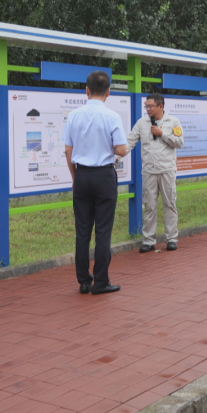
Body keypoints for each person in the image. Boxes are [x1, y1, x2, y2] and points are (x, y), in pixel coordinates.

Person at [63, 70, 128, 295]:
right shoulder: (112, 116)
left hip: (82, 176)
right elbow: (121, 149)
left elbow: (68, 151)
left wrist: (75, 177)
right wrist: (110, 149)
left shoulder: (73, 116)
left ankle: (83, 281)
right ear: (108, 92)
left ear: (87, 91)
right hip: (104, 176)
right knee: (103, 231)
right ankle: (101, 281)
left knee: (82, 231)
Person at [125, 93, 185, 253]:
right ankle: (149, 240)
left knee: (169, 204)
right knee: (149, 206)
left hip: (167, 170)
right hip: (149, 171)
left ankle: (171, 238)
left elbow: (180, 142)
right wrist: (117, 155)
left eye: (151, 106)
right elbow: (130, 142)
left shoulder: (173, 122)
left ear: (161, 106)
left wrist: (162, 134)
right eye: (146, 106)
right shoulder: (141, 123)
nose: (148, 109)